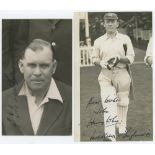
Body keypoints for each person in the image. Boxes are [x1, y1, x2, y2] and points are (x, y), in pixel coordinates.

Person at [2, 39, 72, 135]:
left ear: (54, 67)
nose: (37, 73)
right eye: (31, 65)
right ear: (21, 66)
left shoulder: (72, 99)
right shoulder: (4, 100)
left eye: (44, 66)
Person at [92, 13, 135, 141]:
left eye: (113, 21)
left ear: (117, 23)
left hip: (122, 73)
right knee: (109, 104)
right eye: (107, 21)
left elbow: (131, 58)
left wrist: (119, 59)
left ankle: (122, 127)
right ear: (104, 24)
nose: (110, 23)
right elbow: (94, 59)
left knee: (123, 103)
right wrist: (101, 63)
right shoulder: (98, 41)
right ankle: (110, 136)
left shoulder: (125, 39)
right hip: (106, 75)